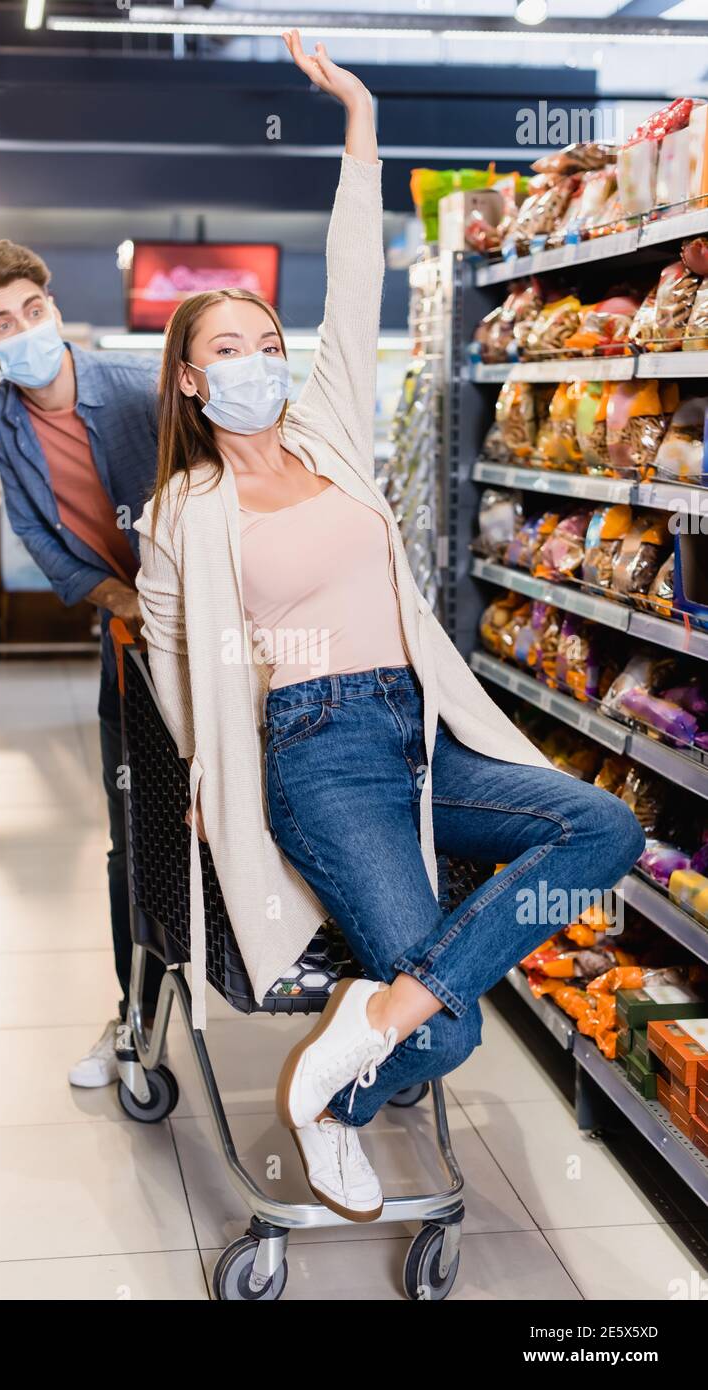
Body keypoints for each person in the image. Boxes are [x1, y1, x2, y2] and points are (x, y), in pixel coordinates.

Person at [133, 30, 646, 1222]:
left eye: (269, 343)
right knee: (459, 1025)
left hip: (423, 731)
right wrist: (207, 763)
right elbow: (176, 656)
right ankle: (373, 1060)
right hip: (316, 756)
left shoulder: (323, 434)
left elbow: (353, 280)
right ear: (190, 383)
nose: (261, 361)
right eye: (231, 351)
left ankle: (355, 1046)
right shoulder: (184, 514)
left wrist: (360, 124)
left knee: (602, 834)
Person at [0, 239, 165, 1088]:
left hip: (216, 641)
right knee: (131, 839)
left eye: (30, 311)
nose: (22, 331)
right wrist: (115, 600)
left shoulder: (138, 384)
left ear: (52, 306)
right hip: (128, 650)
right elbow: (37, 532)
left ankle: (356, 1003)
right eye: (0, 324)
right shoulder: (2, 414)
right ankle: (134, 1018)